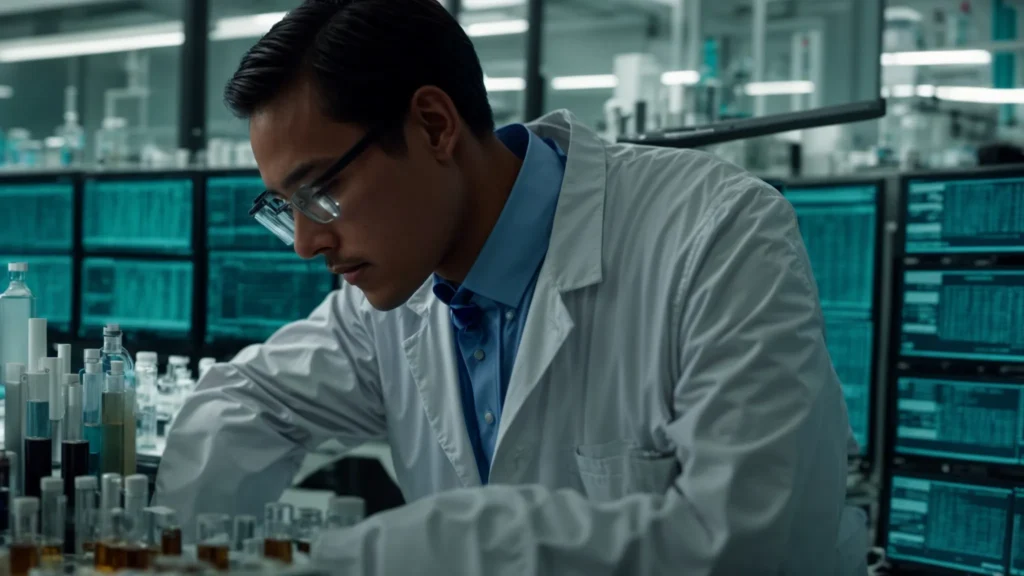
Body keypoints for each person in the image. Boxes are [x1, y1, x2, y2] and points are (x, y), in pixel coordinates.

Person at [154, 0, 861, 573]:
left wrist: (406, 553)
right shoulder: (392, 299)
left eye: (320, 192)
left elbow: (751, 545)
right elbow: (246, 402)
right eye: (287, 207)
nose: (308, 242)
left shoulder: (715, 233)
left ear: (435, 126)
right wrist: (177, 554)